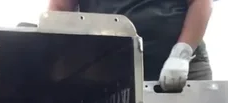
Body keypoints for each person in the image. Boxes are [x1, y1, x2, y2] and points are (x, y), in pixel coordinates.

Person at [47, 0, 214, 91]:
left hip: (183, 67)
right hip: (109, 73)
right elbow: (60, 7)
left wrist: (181, 53)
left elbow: (200, 2)